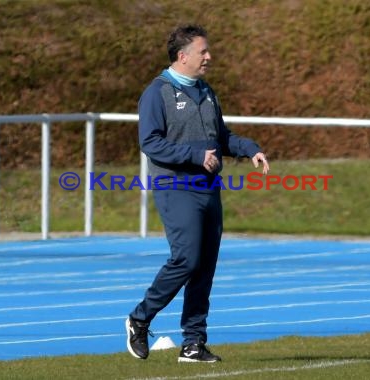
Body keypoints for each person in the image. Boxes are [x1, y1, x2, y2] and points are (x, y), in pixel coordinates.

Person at [126, 24, 269, 363]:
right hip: (174, 186)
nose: (209, 56)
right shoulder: (156, 93)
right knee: (186, 259)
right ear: (182, 56)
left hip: (208, 188)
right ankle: (140, 318)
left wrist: (249, 149)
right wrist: (194, 156)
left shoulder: (206, 91)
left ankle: (193, 343)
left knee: (204, 266)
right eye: (203, 51)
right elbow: (150, 142)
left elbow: (220, 137)